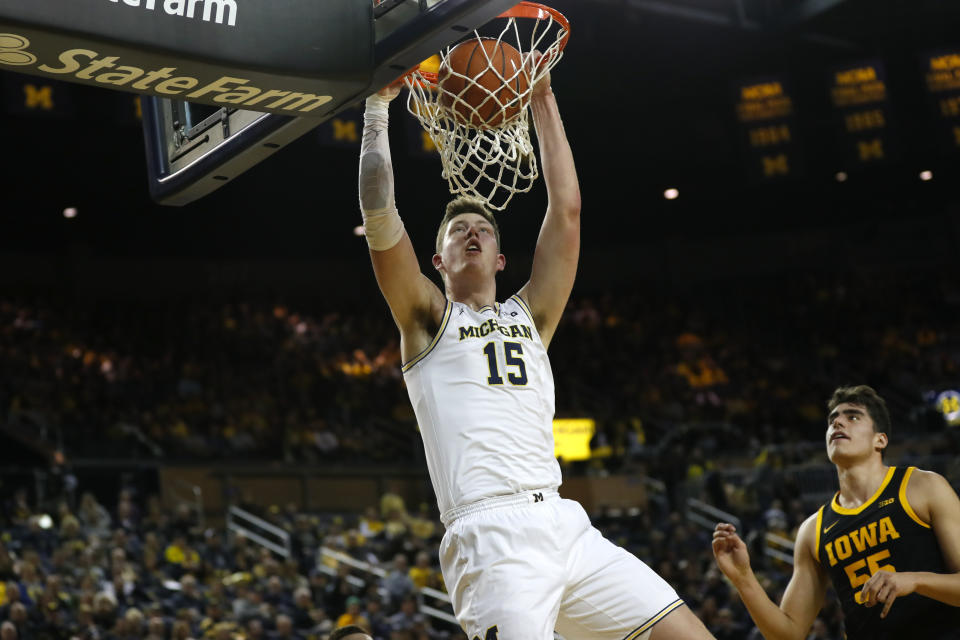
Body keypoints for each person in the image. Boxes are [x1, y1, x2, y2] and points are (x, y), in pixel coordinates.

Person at [357, 54, 714, 640]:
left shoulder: (531, 315)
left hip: (562, 521)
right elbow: (378, 214)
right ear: (437, 260)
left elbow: (567, 211)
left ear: (500, 258)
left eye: (484, 229)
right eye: (457, 231)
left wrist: (542, 96)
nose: (471, 232)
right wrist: (376, 109)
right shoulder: (425, 317)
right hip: (489, 534)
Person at [713, 385, 960, 639]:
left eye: (852, 417)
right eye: (833, 420)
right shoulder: (813, 530)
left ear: (880, 439)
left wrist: (915, 580)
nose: (838, 422)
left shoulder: (923, 487)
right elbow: (787, 634)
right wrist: (743, 579)